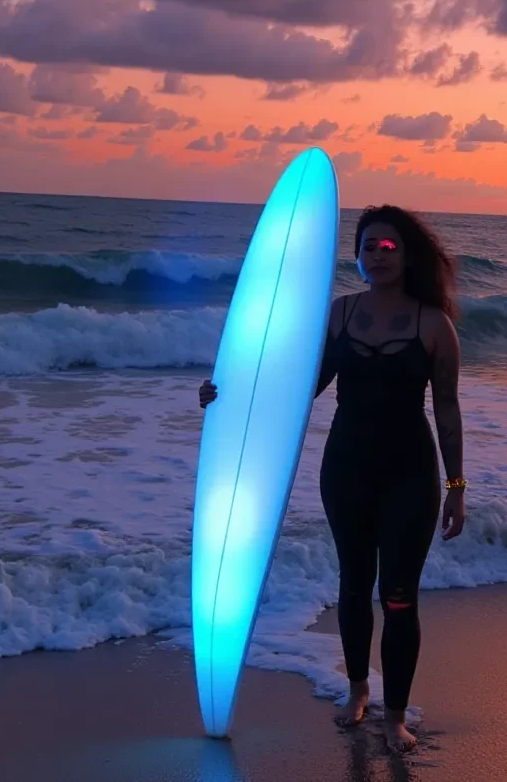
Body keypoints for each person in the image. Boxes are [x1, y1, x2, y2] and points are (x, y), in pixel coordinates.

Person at [199, 204, 465, 753]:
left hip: (410, 474)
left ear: (406, 254)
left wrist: (457, 488)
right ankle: (357, 691)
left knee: (398, 596)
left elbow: (446, 411)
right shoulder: (340, 315)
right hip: (345, 468)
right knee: (351, 583)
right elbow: (300, 392)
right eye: (368, 246)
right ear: (357, 255)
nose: (377, 255)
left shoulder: (433, 325)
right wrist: (225, 397)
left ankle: (395, 716)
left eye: (388, 247)